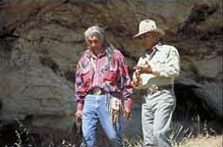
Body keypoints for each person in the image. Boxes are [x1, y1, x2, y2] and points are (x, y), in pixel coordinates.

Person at [75, 25, 133, 147]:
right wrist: (79, 108)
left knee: (113, 136)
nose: (93, 44)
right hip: (89, 100)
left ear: (103, 40)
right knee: (87, 139)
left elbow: (125, 81)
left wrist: (127, 103)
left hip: (110, 98)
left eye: (96, 41)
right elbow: (79, 85)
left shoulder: (116, 56)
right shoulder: (84, 59)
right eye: (90, 41)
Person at [132, 19, 180, 147]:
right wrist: (136, 81)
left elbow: (174, 71)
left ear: (156, 35)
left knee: (159, 134)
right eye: (141, 37)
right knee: (148, 141)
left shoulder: (169, 50)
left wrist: (151, 70)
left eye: (145, 36)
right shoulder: (142, 57)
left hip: (163, 95)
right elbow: (137, 83)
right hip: (146, 99)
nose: (143, 40)